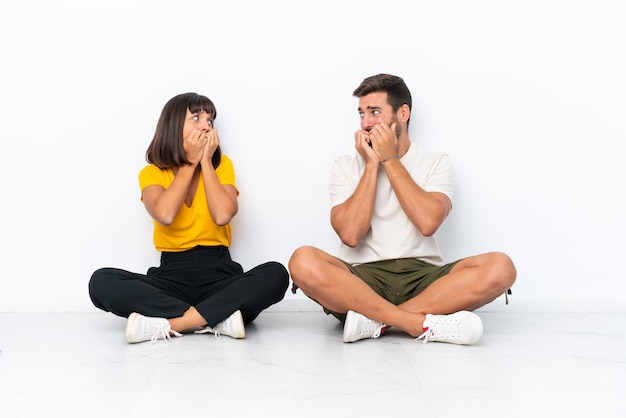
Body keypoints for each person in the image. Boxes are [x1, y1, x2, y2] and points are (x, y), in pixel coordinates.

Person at [288, 74, 516, 345]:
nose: (365, 123)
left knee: (501, 267)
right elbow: (350, 235)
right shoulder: (345, 165)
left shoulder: (436, 161)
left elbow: (428, 222)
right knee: (302, 260)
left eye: (375, 112)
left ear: (403, 113)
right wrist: (372, 166)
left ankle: (376, 321)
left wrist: (389, 159)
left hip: (425, 278)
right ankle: (416, 323)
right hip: (361, 281)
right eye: (361, 114)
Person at [89, 92, 289, 344]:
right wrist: (189, 164)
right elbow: (164, 214)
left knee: (276, 274)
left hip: (220, 275)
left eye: (210, 120)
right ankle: (217, 316)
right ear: (173, 126)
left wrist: (205, 161)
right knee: (101, 281)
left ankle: (174, 323)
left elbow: (223, 215)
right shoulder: (152, 173)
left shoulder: (221, 166)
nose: (206, 125)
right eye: (196, 118)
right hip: (171, 277)